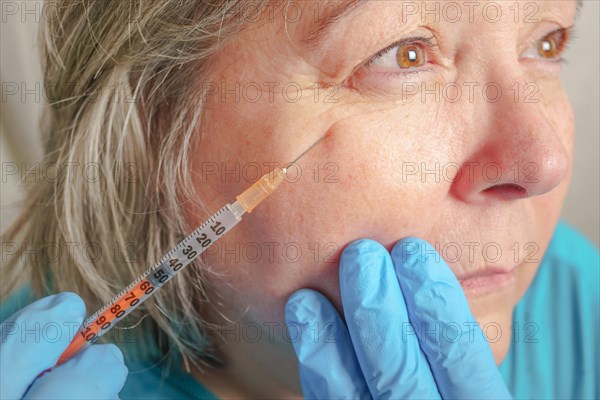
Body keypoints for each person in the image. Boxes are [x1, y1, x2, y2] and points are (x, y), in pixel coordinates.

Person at [1, 0, 598, 398]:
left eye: (545, 43)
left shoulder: (580, 298)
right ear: (150, 134)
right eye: (404, 53)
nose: (542, 162)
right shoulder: (35, 368)